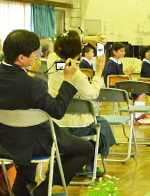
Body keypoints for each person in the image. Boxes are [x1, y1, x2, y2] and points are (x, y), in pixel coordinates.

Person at [0, 29, 94, 196]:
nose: (38, 57)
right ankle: (46, 188)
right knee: (86, 148)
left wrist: (38, 71)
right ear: (21, 58)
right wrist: (68, 78)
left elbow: (50, 68)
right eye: (35, 54)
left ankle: (21, 191)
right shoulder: (33, 85)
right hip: (36, 142)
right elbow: (57, 110)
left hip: (6, 141)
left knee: (26, 137)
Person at [47, 30, 116, 174]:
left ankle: (68, 162)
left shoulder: (53, 62)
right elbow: (92, 93)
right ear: (79, 52)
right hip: (77, 125)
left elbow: (62, 57)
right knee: (102, 125)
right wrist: (98, 73)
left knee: (100, 122)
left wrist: (85, 39)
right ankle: (90, 163)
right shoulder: (76, 76)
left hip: (56, 124)